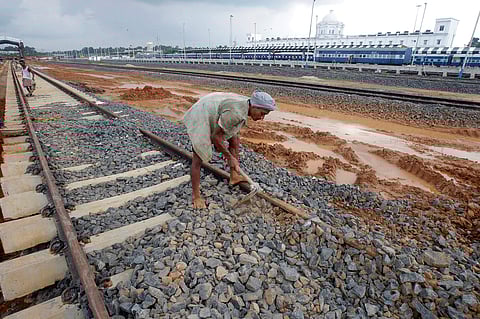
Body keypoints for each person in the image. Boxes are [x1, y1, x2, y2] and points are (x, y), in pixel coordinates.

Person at [183, 90, 276, 209]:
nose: (262, 118)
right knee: (199, 155)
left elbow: (226, 131)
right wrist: (229, 157)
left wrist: (229, 156)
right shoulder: (236, 114)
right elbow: (215, 137)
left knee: (235, 140)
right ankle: (196, 196)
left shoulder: (246, 105)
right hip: (204, 111)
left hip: (218, 107)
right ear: (254, 106)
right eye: (262, 113)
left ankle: (234, 176)